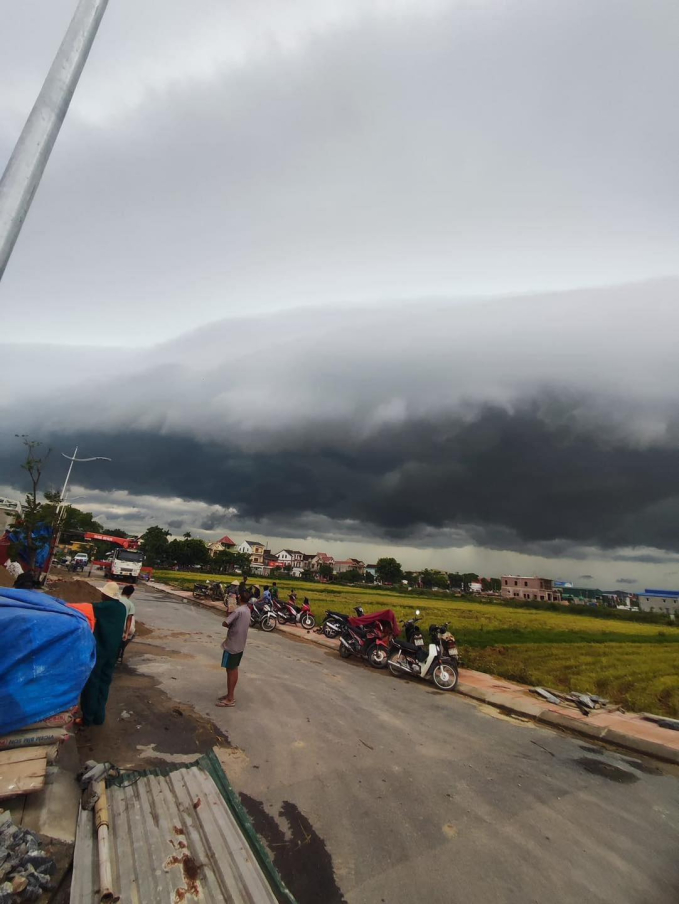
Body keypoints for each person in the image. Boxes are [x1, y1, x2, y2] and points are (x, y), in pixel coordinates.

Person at [80, 589, 127, 726]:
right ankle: (99, 717)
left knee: (91, 685)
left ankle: (87, 718)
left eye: (103, 593)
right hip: (113, 653)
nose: (101, 594)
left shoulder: (105, 607)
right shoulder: (122, 608)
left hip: (100, 652)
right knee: (104, 684)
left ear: (107, 595)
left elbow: (86, 608)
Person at [217, 591, 251, 707]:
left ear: (239, 598)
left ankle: (230, 698)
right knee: (233, 669)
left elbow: (225, 623)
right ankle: (229, 695)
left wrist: (228, 612)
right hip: (240, 645)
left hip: (231, 645)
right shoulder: (247, 610)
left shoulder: (237, 611)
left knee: (230, 670)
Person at [117, 585, 136, 663]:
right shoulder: (130, 604)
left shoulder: (116, 599)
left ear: (122, 591)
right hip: (123, 628)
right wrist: (127, 633)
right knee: (131, 632)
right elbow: (129, 620)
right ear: (130, 594)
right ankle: (120, 652)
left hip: (113, 625)